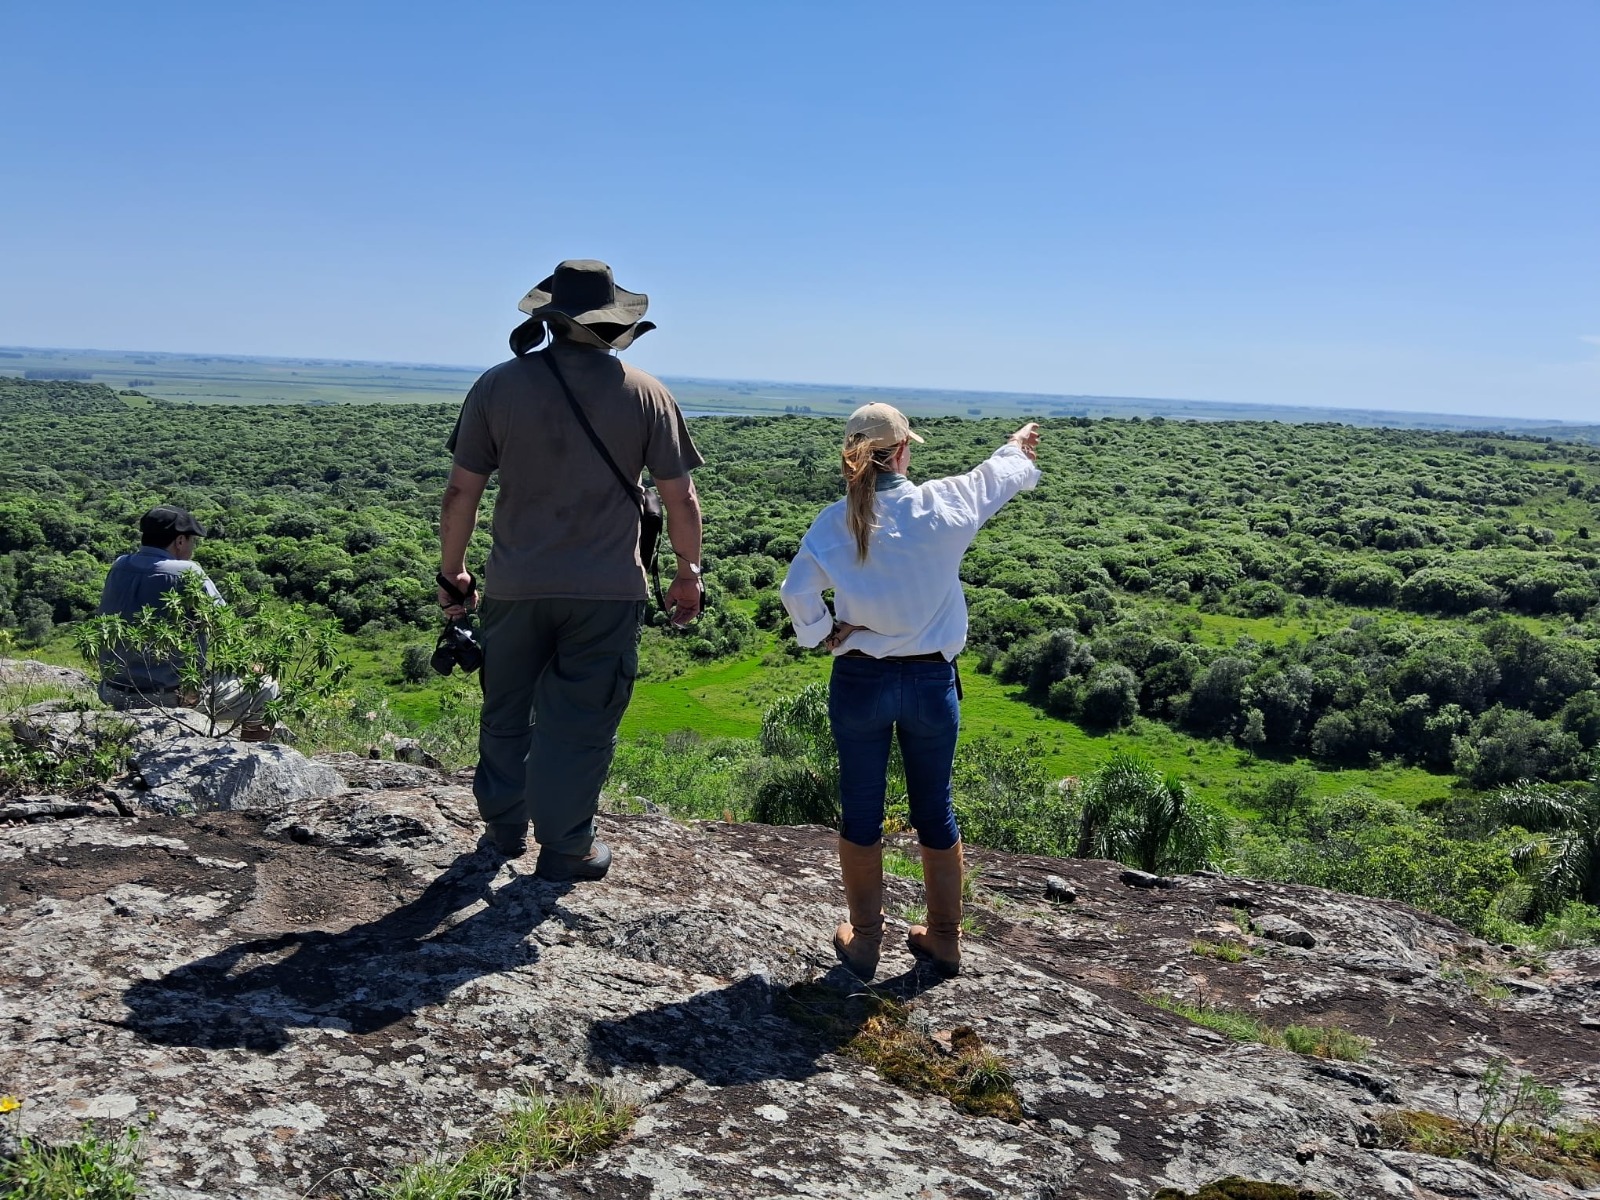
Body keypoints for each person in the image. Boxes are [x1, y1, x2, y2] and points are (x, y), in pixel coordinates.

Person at [438, 259, 705, 882]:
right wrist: (688, 572)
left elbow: (460, 496)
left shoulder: (497, 387)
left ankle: (503, 828)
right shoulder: (646, 393)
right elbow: (681, 500)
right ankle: (566, 846)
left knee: (506, 709)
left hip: (514, 585)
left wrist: (455, 575)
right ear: (615, 326)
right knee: (580, 722)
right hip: (607, 591)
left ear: (550, 319)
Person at [781, 406, 1042, 978]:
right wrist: (1017, 446)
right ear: (902, 451)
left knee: (861, 809)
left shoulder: (834, 522)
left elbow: (795, 591)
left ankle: (866, 941)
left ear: (853, 456)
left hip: (860, 681)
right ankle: (944, 938)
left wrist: (825, 636)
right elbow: (998, 475)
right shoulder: (943, 505)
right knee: (934, 808)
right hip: (930, 682)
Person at [96, 504, 279, 739]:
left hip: (113, 691)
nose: (193, 547)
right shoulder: (186, 572)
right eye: (192, 541)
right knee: (265, 686)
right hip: (167, 697)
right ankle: (249, 759)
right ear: (180, 541)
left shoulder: (119, 565)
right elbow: (226, 628)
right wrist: (248, 663)